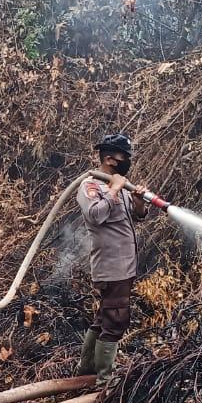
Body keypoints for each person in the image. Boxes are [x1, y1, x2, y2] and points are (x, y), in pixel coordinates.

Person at [76, 133, 150, 385]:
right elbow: (95, 216)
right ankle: (104, 381)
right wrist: (115, 190)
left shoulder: (119, 184)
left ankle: (86, 370)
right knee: (116, 319)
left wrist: (138, 200)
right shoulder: (91, 186)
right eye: (123, 157)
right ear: (109, 159)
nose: (127, 161)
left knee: (104, 318)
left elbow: (137, 217)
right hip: (111, 266)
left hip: (125, 266)